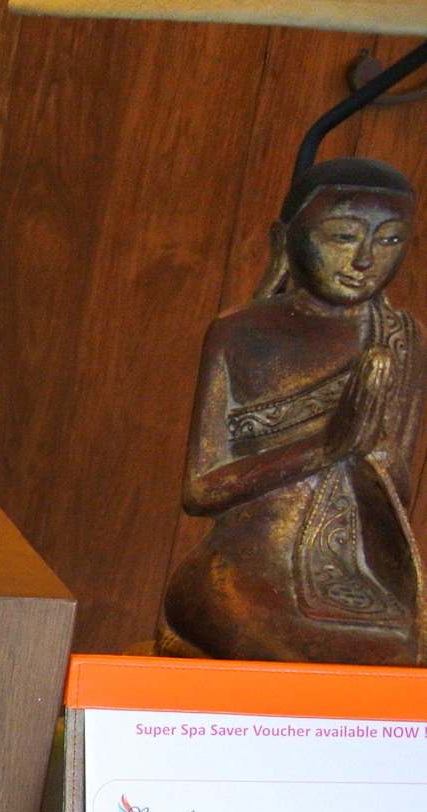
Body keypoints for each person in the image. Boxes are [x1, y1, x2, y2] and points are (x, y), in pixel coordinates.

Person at [167, 157, 423, 664]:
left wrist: (372, 447)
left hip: (353, 573)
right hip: (247, 566)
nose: (364, 260)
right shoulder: (242, 334)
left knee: (404, 653)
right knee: (270, 649)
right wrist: (327, 446)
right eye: (343, 236)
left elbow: (397, 493)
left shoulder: (401, 340)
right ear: (284, 240)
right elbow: (201, 490)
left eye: (390, 239)